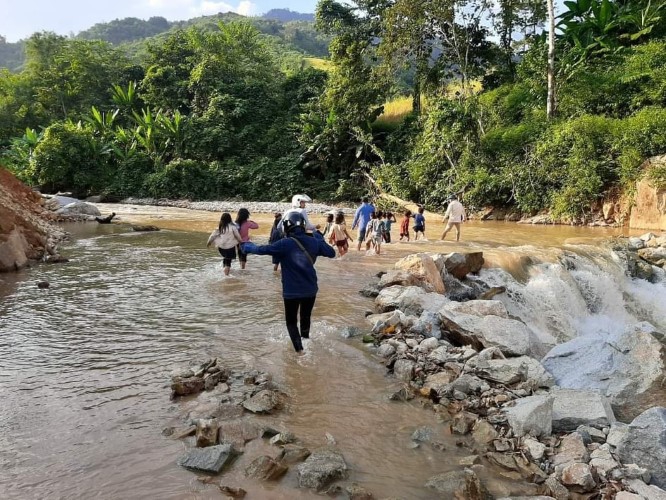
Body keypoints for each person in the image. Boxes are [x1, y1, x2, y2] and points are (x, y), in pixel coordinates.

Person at [241, 212, 336, 355]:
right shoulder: (314, 241)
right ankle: (306, 341)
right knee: (306, 317)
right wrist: (318, 236)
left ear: (286, 227)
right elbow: (332, 253)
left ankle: (300, 352)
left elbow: (262, 250)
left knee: (291, 322)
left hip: (291, 291)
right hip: (310, 289)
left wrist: (247, 246)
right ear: (303, 225)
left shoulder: (284, 243)